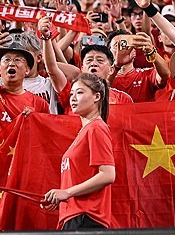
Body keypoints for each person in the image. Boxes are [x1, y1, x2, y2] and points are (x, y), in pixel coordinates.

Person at [42, 73, 115, 230]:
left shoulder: (96, 127)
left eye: (80, 92)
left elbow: (108, 174)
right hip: (74, 216)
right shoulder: (86, 130)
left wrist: (67, 192)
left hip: (87, 217)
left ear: (97, 96)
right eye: (71, 94)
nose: (73, 98)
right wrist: (62, 197)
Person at [38, 16, 133, 113]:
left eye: (100, 60)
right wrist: (46, 38)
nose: (93, 63)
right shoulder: (71, 92)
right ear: (82, 68)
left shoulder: (123, 99)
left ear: (111, 69)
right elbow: (52, 69)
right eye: (89, 60)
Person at [106, 30, 170, 102]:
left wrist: (151, 50)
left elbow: (165, 75)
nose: (122, 49)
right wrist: (117, 66)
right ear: (109, 52)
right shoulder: (103, 76)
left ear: (134, 51)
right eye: (116, 46)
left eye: (126, 44)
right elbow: (101, 88)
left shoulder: (146, 75)